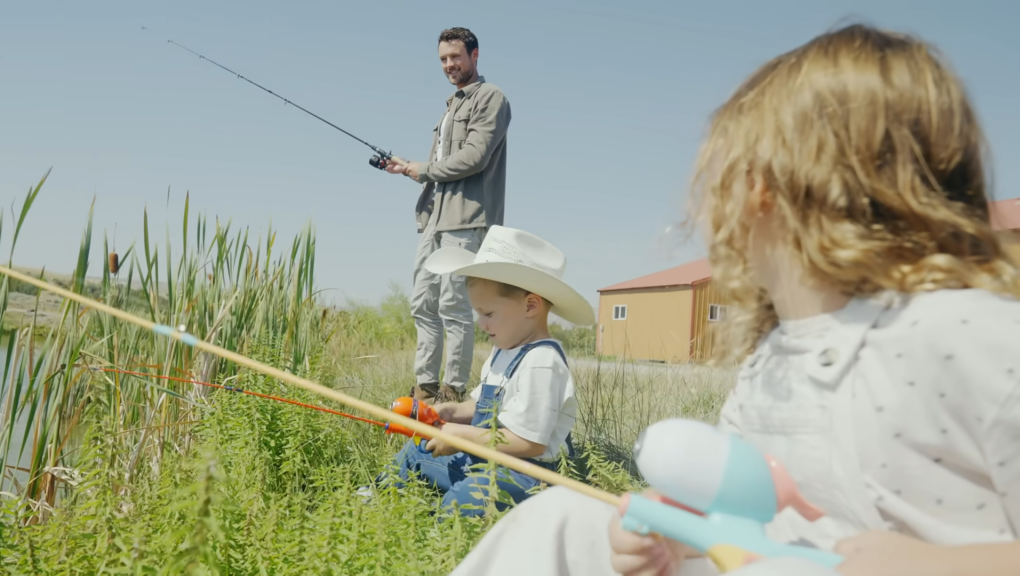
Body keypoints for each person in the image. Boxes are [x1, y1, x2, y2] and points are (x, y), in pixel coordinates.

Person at [449, 23, 1020, 576]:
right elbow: (739, 503)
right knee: (563, 521)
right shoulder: (778, 354)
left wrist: (945, 566)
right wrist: (675, 529)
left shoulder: (975, 338)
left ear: (771, 188)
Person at [372, 225, 596, 518]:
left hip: (528, 475)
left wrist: (459, 437)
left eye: (488, 314)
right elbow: (480, 406)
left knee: (466, 497)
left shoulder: (542, 361)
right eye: (478, 313)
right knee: (417, 451)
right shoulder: (504, 350)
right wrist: (449, 413)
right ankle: (373, 501)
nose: (480, 324)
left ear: (531, 305)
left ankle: (444, 535)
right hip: (484, 458)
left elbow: (529, 442)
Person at [386, 27, 512, 403]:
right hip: (435, 221)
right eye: (443, 59)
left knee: (454, 305)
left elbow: (474, 157)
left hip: (468, 221)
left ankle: (452, 392)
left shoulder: (491, 98)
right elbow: (443, 168)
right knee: (422, 303)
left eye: (455, 57)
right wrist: (407, 167)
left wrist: (421, 168)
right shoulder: (450, 108)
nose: (449, 64)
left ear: (475, 55)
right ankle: (424, 390)